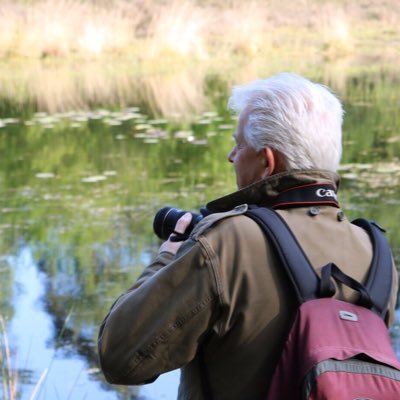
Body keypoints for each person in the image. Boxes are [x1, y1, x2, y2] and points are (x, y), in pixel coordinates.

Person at [98, 73, 398, 399]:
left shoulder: (229, 241)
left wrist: (169, 253)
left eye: (238, 144)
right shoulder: (376, 252)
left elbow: (121, 358)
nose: (231, 156)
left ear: (268, 162)